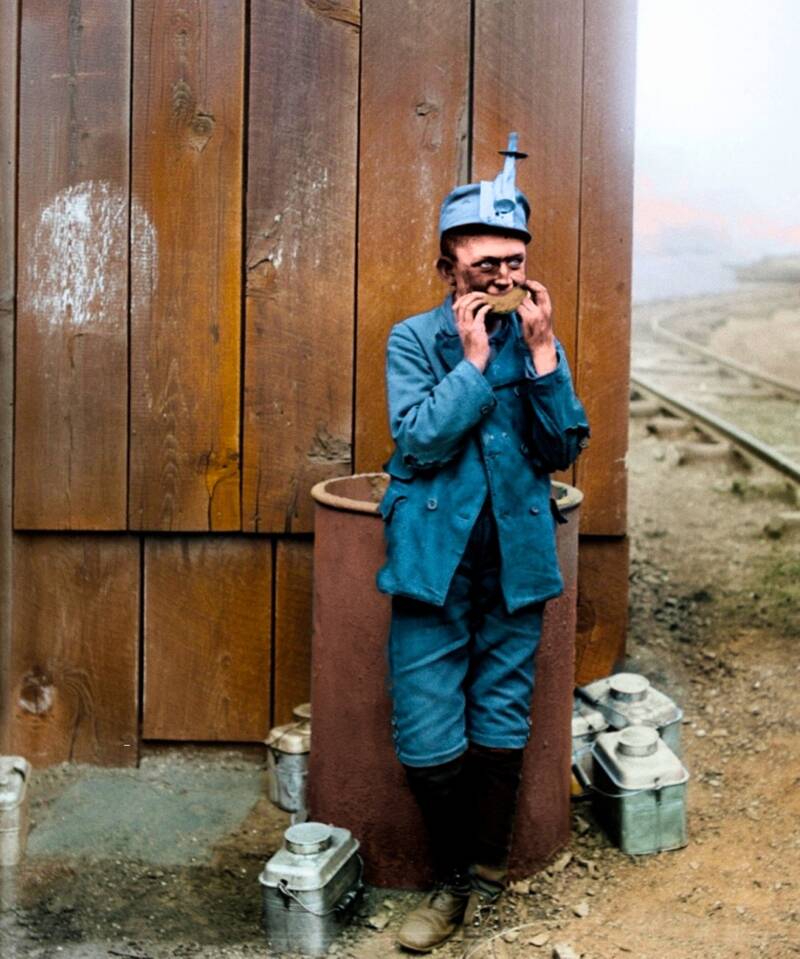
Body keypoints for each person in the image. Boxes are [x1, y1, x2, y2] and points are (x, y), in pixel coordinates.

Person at [375, 133, 590, 953]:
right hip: (434, 564)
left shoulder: (539, 339)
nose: (503, 279)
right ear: (447, 269)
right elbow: (418, 442)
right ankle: (456, 872)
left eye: (514, 262)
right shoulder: (412, 340)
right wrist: (470, 364)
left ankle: (475, 878)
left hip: (517, 561)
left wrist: (541, 356)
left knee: (502, 715)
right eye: (484, 266)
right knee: (429, 731)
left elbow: (561, 444)